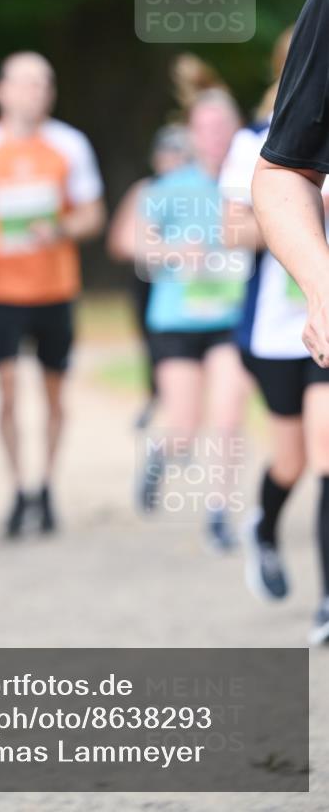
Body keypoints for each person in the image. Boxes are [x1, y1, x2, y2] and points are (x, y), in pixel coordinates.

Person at [0, 51, 105, 537]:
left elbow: (92, 214)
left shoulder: (70, 145)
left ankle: (45, 485)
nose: (36, 92)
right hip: (1, 290)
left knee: (53, 396)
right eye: (25, 83)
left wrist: (61, 228)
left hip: (55, 288)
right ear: (0, 91)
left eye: (44, 84)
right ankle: (17, 487)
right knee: (5, 394)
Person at [130, 90, 249, 550]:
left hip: (230, 320)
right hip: (177, 321)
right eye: (206, 128)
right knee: (184, 427)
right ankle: (162, 454)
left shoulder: (254, 182)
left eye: (223, 128)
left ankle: (219, 512)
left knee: (228, 416)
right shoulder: (168, 187)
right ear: (192, 134)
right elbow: (141, 250)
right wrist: (176, 253)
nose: (215, 137)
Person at [251, 0, 329, 643]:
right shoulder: (265, 139)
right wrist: (321, 284)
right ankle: (264, 525)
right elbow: (271, 191)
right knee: (293, 459)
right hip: (285, 327)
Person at [107, 123, 192, 428]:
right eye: (168, 154)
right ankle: (159, 403)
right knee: (156, 349)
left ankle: (179, 419)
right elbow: (121, 242)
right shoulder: (146, 190)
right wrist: (167, 250)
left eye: (181, 155)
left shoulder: (202, 191)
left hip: (193, 286)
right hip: (151, 284)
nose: (174, 162)